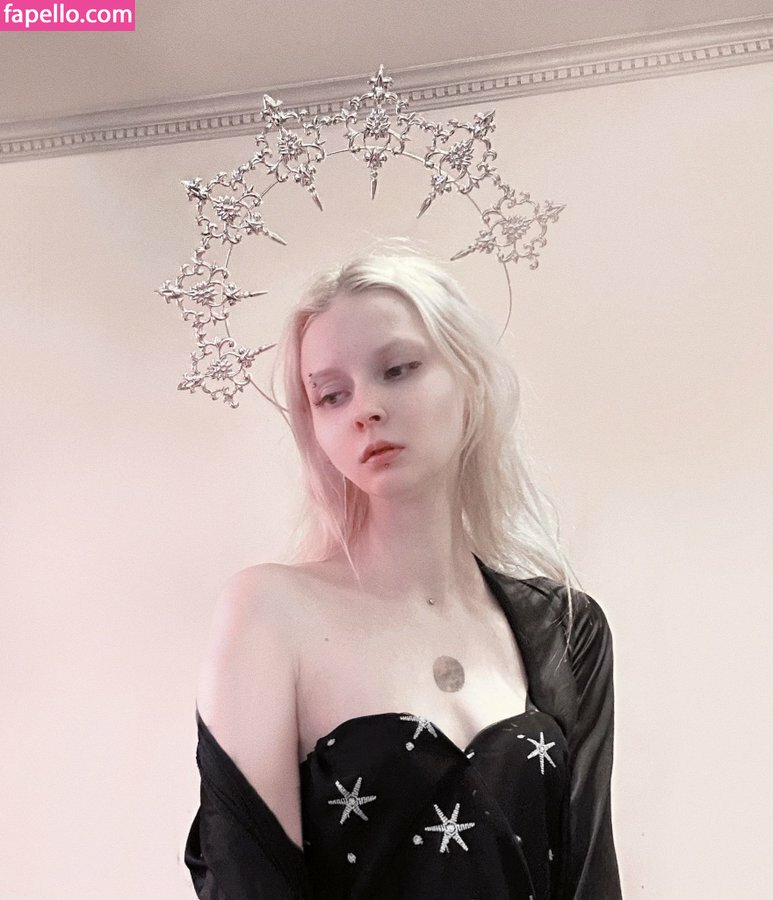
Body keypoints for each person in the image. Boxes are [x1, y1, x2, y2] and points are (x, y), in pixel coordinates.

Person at [184, 251, 622, 899]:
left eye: (397, 370)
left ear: (469, 380)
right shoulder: (269, 613)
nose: (364, 409)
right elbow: (247, 877)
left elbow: (588, 877)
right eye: (331, 395)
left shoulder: (564, 630)